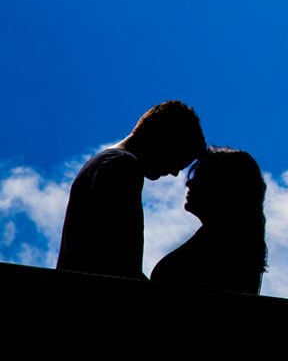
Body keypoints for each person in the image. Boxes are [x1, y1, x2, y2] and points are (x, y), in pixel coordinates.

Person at [56, 100, 206, 278]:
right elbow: (116, 257)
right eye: (178, 159)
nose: (174, 173)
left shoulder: (104, 162)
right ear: (164, 138)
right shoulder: (121, 166)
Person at [151, 147, 267, 294]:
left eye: (200, 177)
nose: (189, 183)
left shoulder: (225, 249)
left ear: (223, 187)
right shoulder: (232, 244)